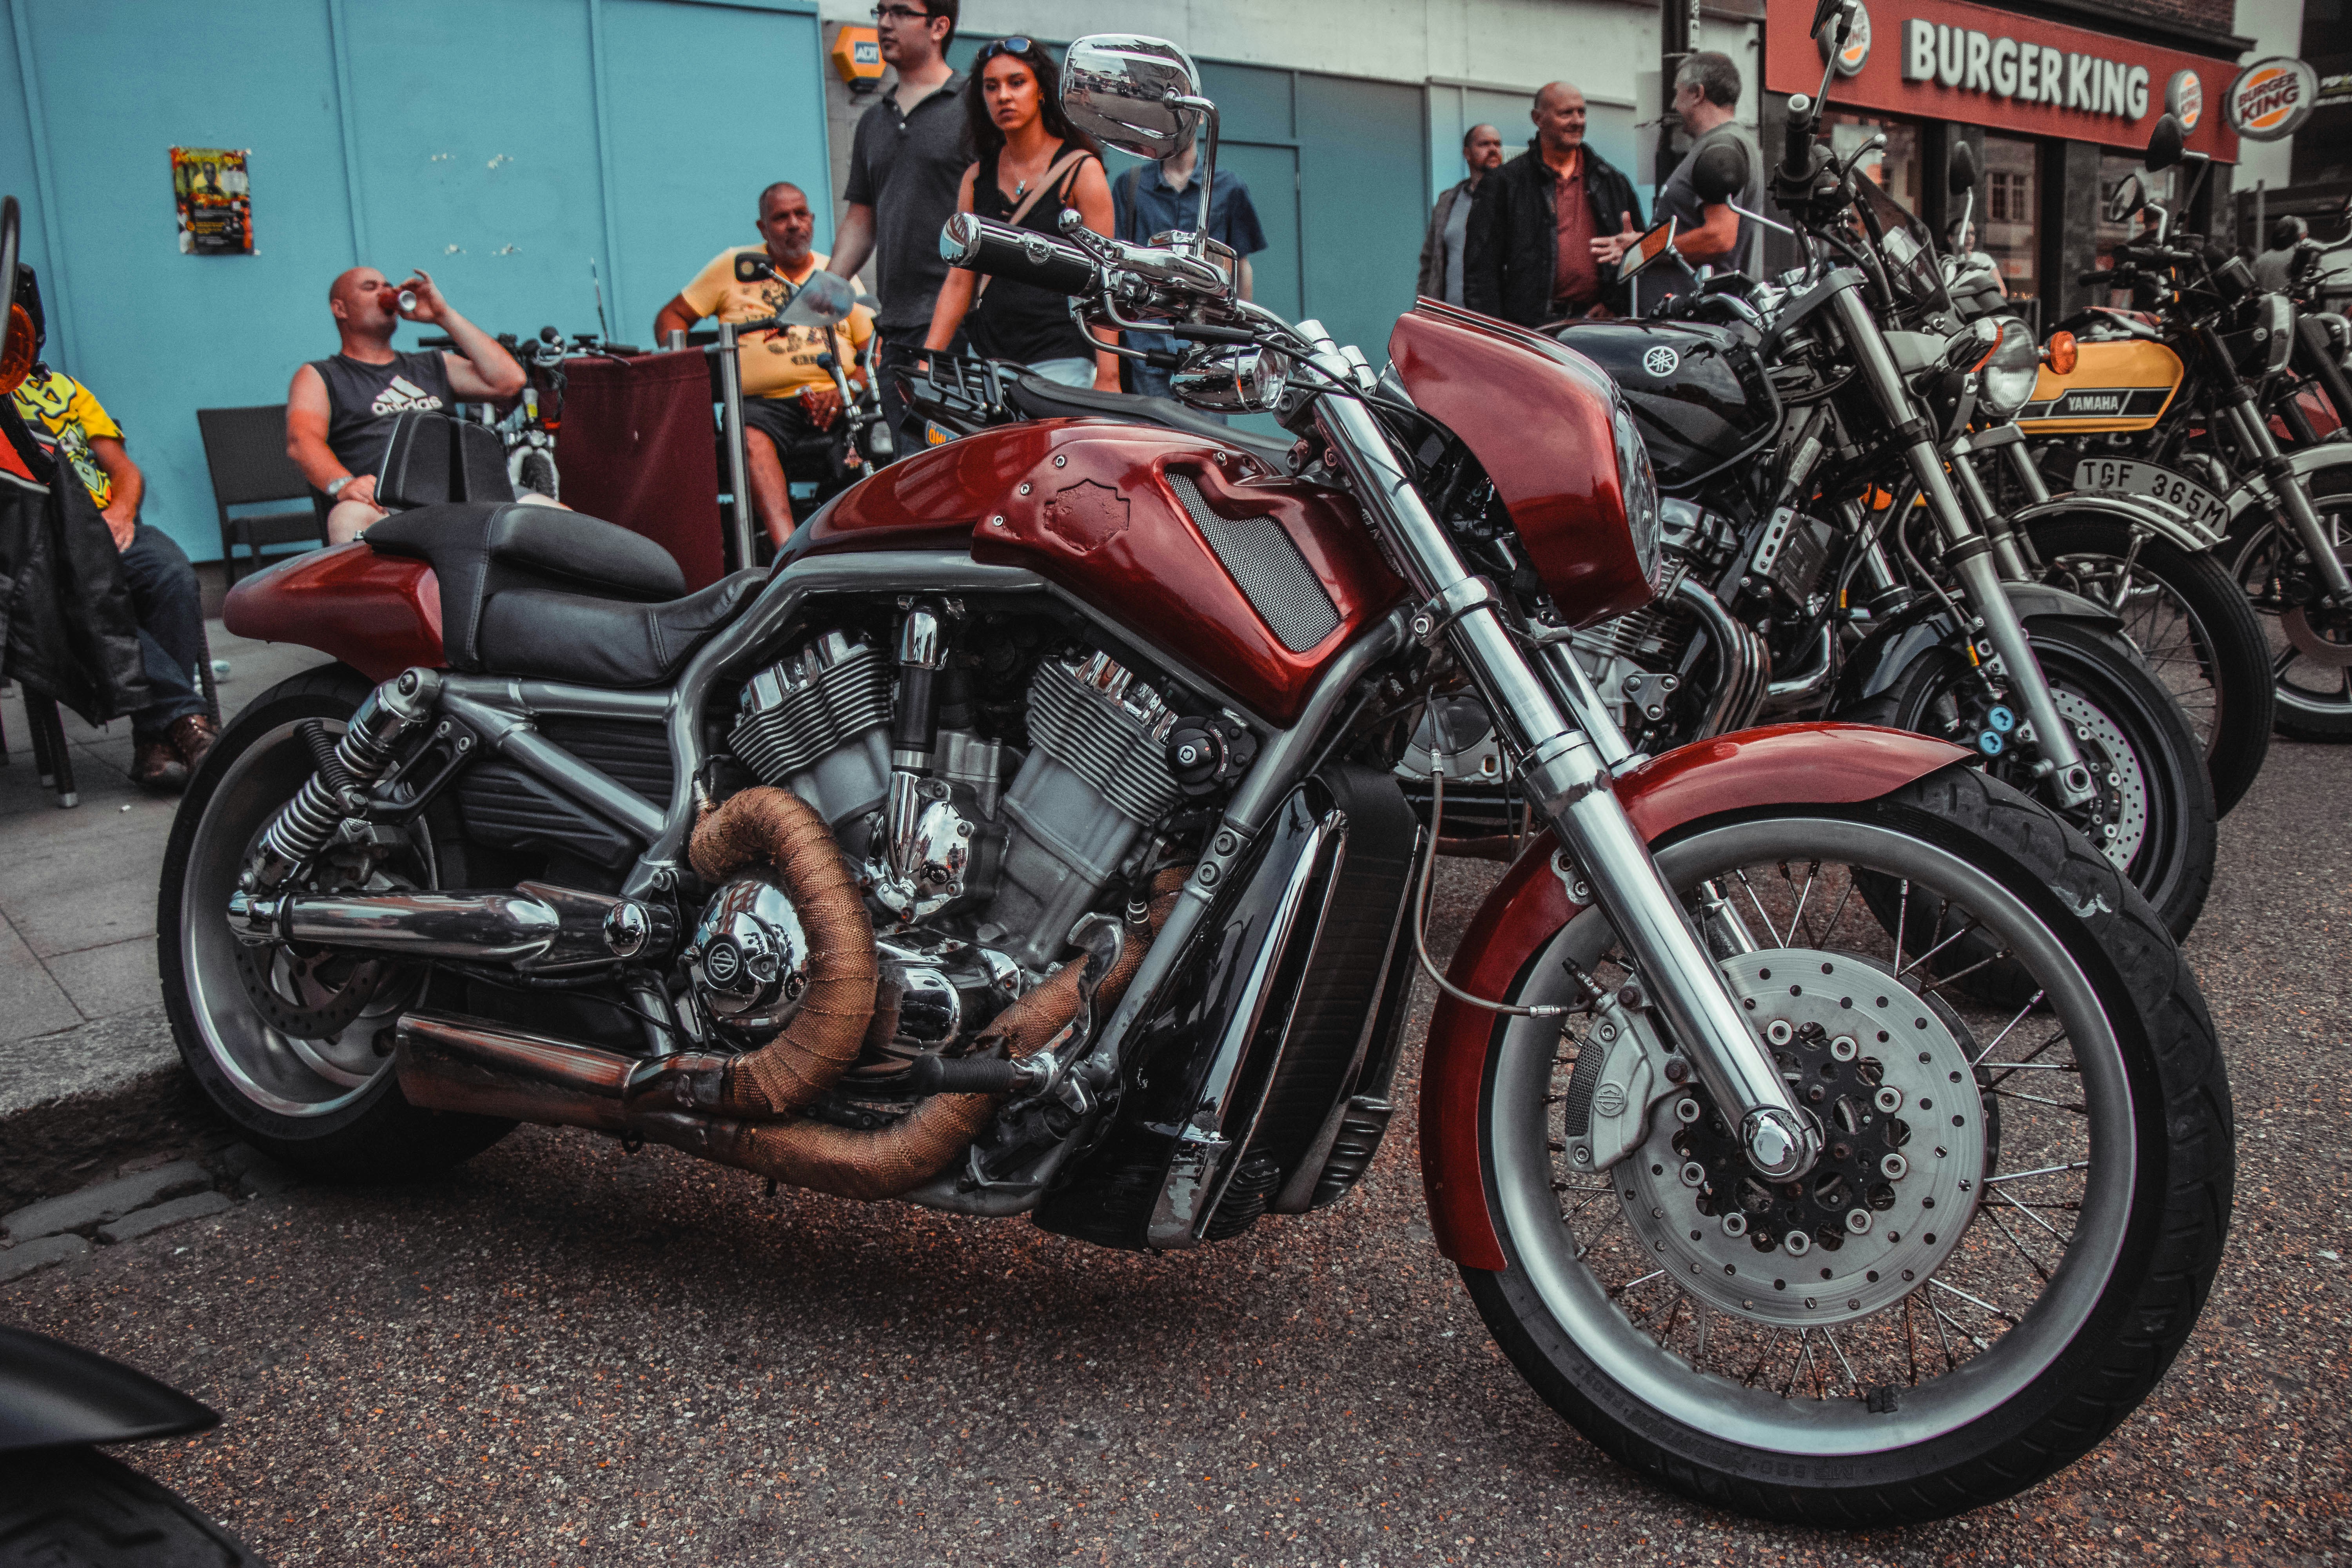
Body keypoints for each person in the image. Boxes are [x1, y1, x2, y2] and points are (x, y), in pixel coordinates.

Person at [7, 271, 216, 790]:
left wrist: (121, 512)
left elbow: (123, 469)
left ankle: (154, 739)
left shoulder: (66, 390)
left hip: (111, 525)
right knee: (95, 601)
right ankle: (188, 723)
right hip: (44, 546)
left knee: (172, 576)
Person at [655, 181, 877, 545]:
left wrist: (848, 388)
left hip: (837, 401)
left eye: (801, 214)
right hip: (763, 408)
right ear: (762, 228)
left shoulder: (834, 273)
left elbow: (874, 350)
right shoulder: (737, 267)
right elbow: (672, 317)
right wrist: (686, 370)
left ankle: (856, 550)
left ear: (813, 220)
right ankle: (788, 553)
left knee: (876, 430)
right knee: (749, 434)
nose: (794, 224)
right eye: (781, 217)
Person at [922, 40, 1120, 392]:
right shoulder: (976, 178)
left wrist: (1109, 376)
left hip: (1062, 357)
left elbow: (1104, 280)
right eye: (992, 86)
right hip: (988, 361)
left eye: (1017, 83)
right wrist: (928, 360)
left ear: (1041, 90)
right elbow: (959, 279)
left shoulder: (1081, 170)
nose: (1003, 96)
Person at [287, 268, 526, 543]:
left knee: (554, 517)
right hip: (387, 506)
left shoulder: (432, 364)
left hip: (468, 497)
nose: (386, 292)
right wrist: (345, 484)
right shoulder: (321, 375)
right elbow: (302, 441)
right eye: (370, 287)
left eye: (387, 286)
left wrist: (443, 315)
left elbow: (510, 381)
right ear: (340, 309)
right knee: (347, 518)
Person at [826, 0, 966, 456]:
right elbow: (862, 218)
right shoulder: (873, 120)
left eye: (901, 11)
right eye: (880, 11)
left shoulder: (974, 108)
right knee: (909, 472)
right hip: (896, 330)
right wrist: (827, 288)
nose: (885, 23)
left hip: (961, 327)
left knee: (961, 470)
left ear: (939, 26)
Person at [1462, 82, 1645, 327]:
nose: (1577, 121)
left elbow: (1641, 252)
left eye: (1581, 112)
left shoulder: (1611, 182)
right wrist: (1495, 335)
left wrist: (1616, 303)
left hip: (1598, 327)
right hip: (1530, 329)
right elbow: (1481, 271)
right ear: (1538, 119)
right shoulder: (1503, 184)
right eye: (1566, 113)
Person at [1111, 125, 1268, 398]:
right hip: (1146, 345)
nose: (1174, 123)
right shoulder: (1131, 184)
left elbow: (1241, 267)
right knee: (1155, 438)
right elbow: (1116, 267)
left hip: (1209, 348)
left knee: (1207, 438)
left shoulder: (1229, 187)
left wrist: (1240, 338)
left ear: (1198, 119)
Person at [1606, 51, 1763, 309]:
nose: (1673, 106)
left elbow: (1720, 237)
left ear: (1697, 94)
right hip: (1692, 321)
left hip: (1694, 326)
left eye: (1677, 93)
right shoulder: (1727, 143)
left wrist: (1644, 249)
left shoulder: (1722, 146)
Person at [1419, 123, 1506, 305]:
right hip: (1452, 319)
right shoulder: (1448, 202)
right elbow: (1429, 263)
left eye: (1497, 144)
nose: (1493, 149)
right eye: (1484, 144)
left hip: (1500, 322)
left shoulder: (1513, 199)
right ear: (1467, 153)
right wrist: (1422, 310)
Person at [2254, 215, 2308, 293]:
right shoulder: (2297, 257)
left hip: (2267, 303)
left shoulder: (2261, 259)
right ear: (2296, 236)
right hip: (2288, 303)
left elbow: (2253, 288)